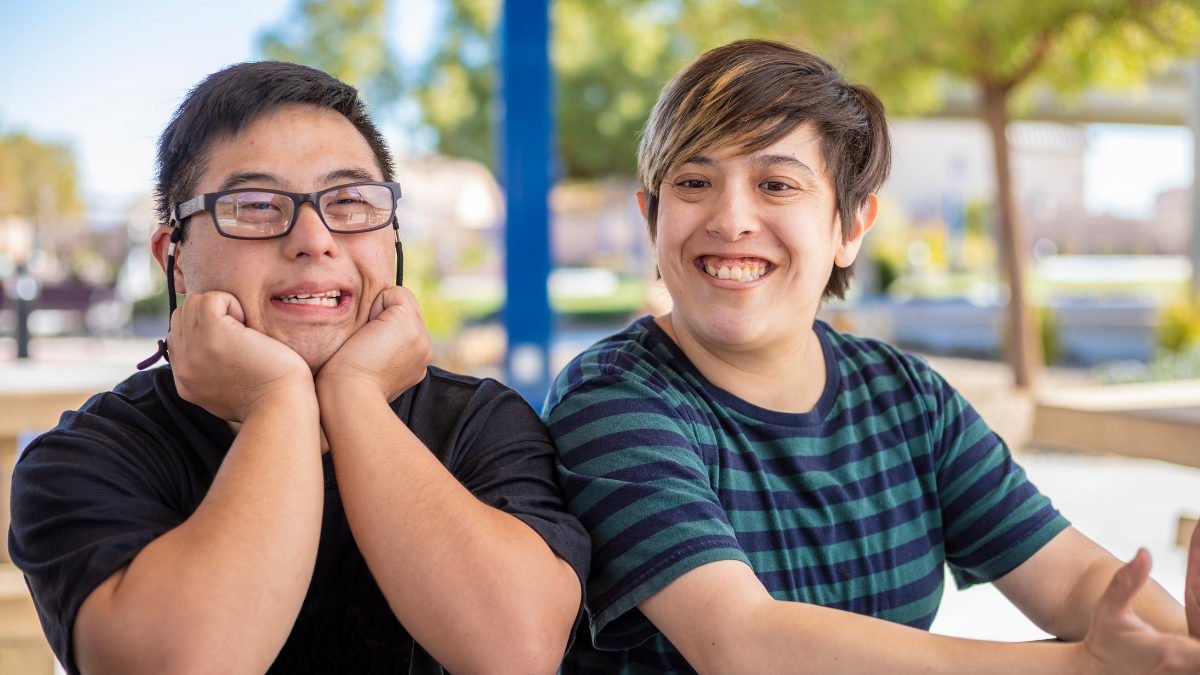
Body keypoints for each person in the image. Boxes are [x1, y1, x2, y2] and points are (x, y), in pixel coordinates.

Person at [543, 39, 1200, 675]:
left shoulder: (907, 396)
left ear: (851, 226)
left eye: (776, 184)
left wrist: (1170, 647)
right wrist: (1075, 667)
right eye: (693, 181)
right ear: (651, 219)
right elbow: (742, 643)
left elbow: (1076, 576)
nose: (731, 217)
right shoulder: (610, 398)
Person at [9, 61, 590, 675]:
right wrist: (279, 399)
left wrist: (355, 396)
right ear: (174, 259)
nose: (314, 238)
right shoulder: (89, 454)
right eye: (256, 205)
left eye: (349, 200)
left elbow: (516, 651)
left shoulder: (480, 423)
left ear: (392, 237)